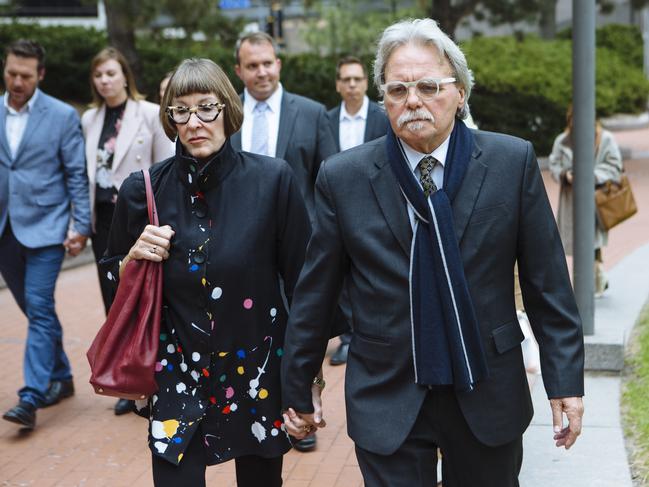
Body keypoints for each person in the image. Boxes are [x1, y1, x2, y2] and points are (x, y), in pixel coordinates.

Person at [281, 18, 585, 487]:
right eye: (398, 89)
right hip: (388, 390)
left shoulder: (510, 162)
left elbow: (548, 283)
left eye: (429, 86)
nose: (413, 101)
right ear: (384, 98)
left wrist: (564, 379)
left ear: (460, 92)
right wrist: (302, 381)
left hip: (486, 386)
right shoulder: (344, 177)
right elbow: (314, 293)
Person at [101, 58, 310, 486]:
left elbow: (305, 283)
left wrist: (309, 379)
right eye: (181, 110)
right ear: (170, 118)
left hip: (257, 369)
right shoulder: (143, 190)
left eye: (207, 107)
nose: (195, 121)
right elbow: (112, 282)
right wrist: (131, 260)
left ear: (228, 111)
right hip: (175, 372)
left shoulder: (272, 181)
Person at [231, 30, 339, 452]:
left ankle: (300, 411)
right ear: (238, 70)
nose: (261, 71)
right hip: (241, 248)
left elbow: (328, 181)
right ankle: (253, 413)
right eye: (252, 65)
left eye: (267, 63)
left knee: (302, 330)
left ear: (279, 64)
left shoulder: (311, 114)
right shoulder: (225, 114)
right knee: (251, 332)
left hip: (301, 248)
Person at [0, 39, 91, 429]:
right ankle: (62, 375)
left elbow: (75, 174)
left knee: (38, 306)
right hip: (4, 227)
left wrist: (81, 225)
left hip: (47, 227)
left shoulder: (61, 116)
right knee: (34, 307)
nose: (17, 81)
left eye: (25, 74)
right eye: (11, 73)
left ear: (41, 74)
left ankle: (31, 395)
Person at [81, 47, 174, 416]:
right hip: (104, 218)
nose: (105, 80)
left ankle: (148, 369)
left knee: (146, 295)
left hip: (141, 218)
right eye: (99, 75)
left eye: (111, 73)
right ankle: (123, 372)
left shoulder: (149, 113)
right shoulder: (89, 119)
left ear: (125, 76)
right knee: (113, 296)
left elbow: (165, 164)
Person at [326, 55, 389, 366]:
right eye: (346, 80)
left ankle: (375, 333)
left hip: (377, 206)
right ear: (338, 85)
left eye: (358, 79)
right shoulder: (325, 120)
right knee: (339, 276)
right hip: (338, 208)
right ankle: (348, 338)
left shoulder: (383, 116)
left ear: (367, 83)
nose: (352, 85)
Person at [548, 105, 623, 297]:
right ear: (570, 119)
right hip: (571, 203)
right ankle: (593, 281)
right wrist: (566, 175)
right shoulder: (562, 141)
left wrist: (590, 176)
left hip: (596, 200)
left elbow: (615, 167)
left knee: (592, 241)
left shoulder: (604, 139)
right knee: (577, 242)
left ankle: (592, 283)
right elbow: (553, 165)